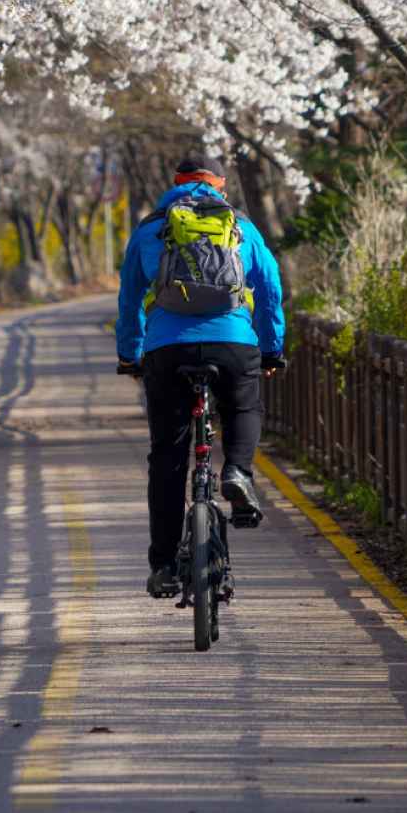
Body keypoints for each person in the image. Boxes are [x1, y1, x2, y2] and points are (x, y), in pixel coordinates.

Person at [116, 155, 286, 599]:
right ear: (221, 186)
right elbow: (269, 287)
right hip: (233, 342)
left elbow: (130, 296)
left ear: (175, 184)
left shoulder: (151, 228)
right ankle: (237, 471)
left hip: (167, 349)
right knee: (244, 405)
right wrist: (271, 347)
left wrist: (130, 353)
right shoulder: (241, 226)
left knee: (168, 459)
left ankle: (165, 565)